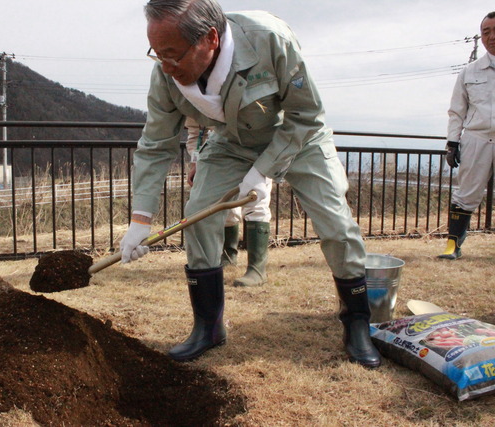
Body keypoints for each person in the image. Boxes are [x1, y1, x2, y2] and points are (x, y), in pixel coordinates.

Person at [120, 0, 380, 368]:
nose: (166, 66)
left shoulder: (268, 39)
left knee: (336, 226)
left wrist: (263, 172)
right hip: (231, 141)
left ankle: (357, 323)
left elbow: (306, 114)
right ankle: (208, 326)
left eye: (173, 55)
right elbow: (156, 145)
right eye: (157, 54)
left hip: (298, 137)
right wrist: (139, 220)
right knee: (198, 215)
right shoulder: (165, 74)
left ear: (210, 38)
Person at [184, 116, 272, 287]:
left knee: (257, 200)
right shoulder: (191, 97)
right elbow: (196, 132)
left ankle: (257, 268)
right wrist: (197, 161)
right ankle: (228, 255)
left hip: (259, 145)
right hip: (220, 152)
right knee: (222, 206)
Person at [439, 11, 495, 260]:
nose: (491, 37)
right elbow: (456, 111)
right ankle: (453, 244)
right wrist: (452, 143)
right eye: (486, 32)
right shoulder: (470, 72)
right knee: (465, 194)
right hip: (477, 138)